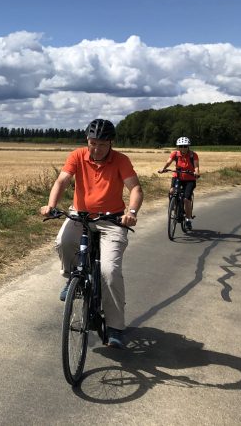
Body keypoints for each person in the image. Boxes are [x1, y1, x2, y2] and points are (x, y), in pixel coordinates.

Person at [40, 118, 143, 349]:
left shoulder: (121, 160)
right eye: (92, 143)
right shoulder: (78, 156)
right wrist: (51, 205)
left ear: (111, 143)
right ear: (87, 140)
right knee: (63, 242)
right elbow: (62, 180)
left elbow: (135, 188)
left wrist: (132, 211)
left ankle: (116, 326)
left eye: (102, 144)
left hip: (112, 219)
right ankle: (70, 278)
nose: (96, 149)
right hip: (80, 215)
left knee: (110, 270)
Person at [158, 137, 200, 230]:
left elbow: (196, 166)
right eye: (181, 146)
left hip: (190, 179)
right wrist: (163, 168)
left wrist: (196, 172)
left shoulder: (193, 155)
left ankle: (188, 219)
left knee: (186, 199)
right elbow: (168, 162)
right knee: (172, 191)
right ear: (178, 147)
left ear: (188, 146)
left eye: (185, 146)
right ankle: (175, 206)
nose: (183, 148)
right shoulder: (175, 154)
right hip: (177, 177)